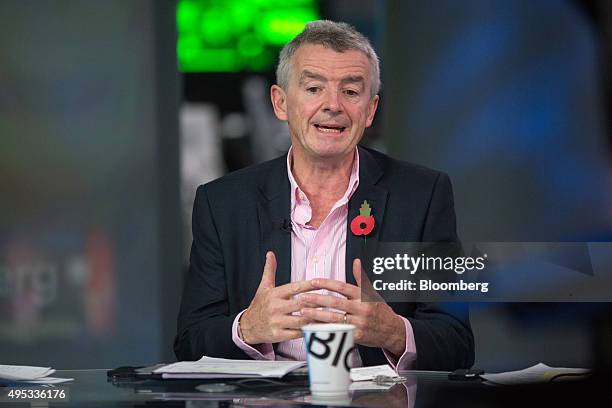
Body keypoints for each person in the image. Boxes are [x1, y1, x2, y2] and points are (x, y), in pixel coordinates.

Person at [175, 20, 474, 370]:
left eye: (350, 91)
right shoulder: (222, 204)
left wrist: (392, 331)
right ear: (281, 102)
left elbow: (457, 344)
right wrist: (247, 328)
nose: (333, 105)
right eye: (314, 88)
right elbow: (190, 342)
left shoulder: (421, 197)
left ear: (370, 110)